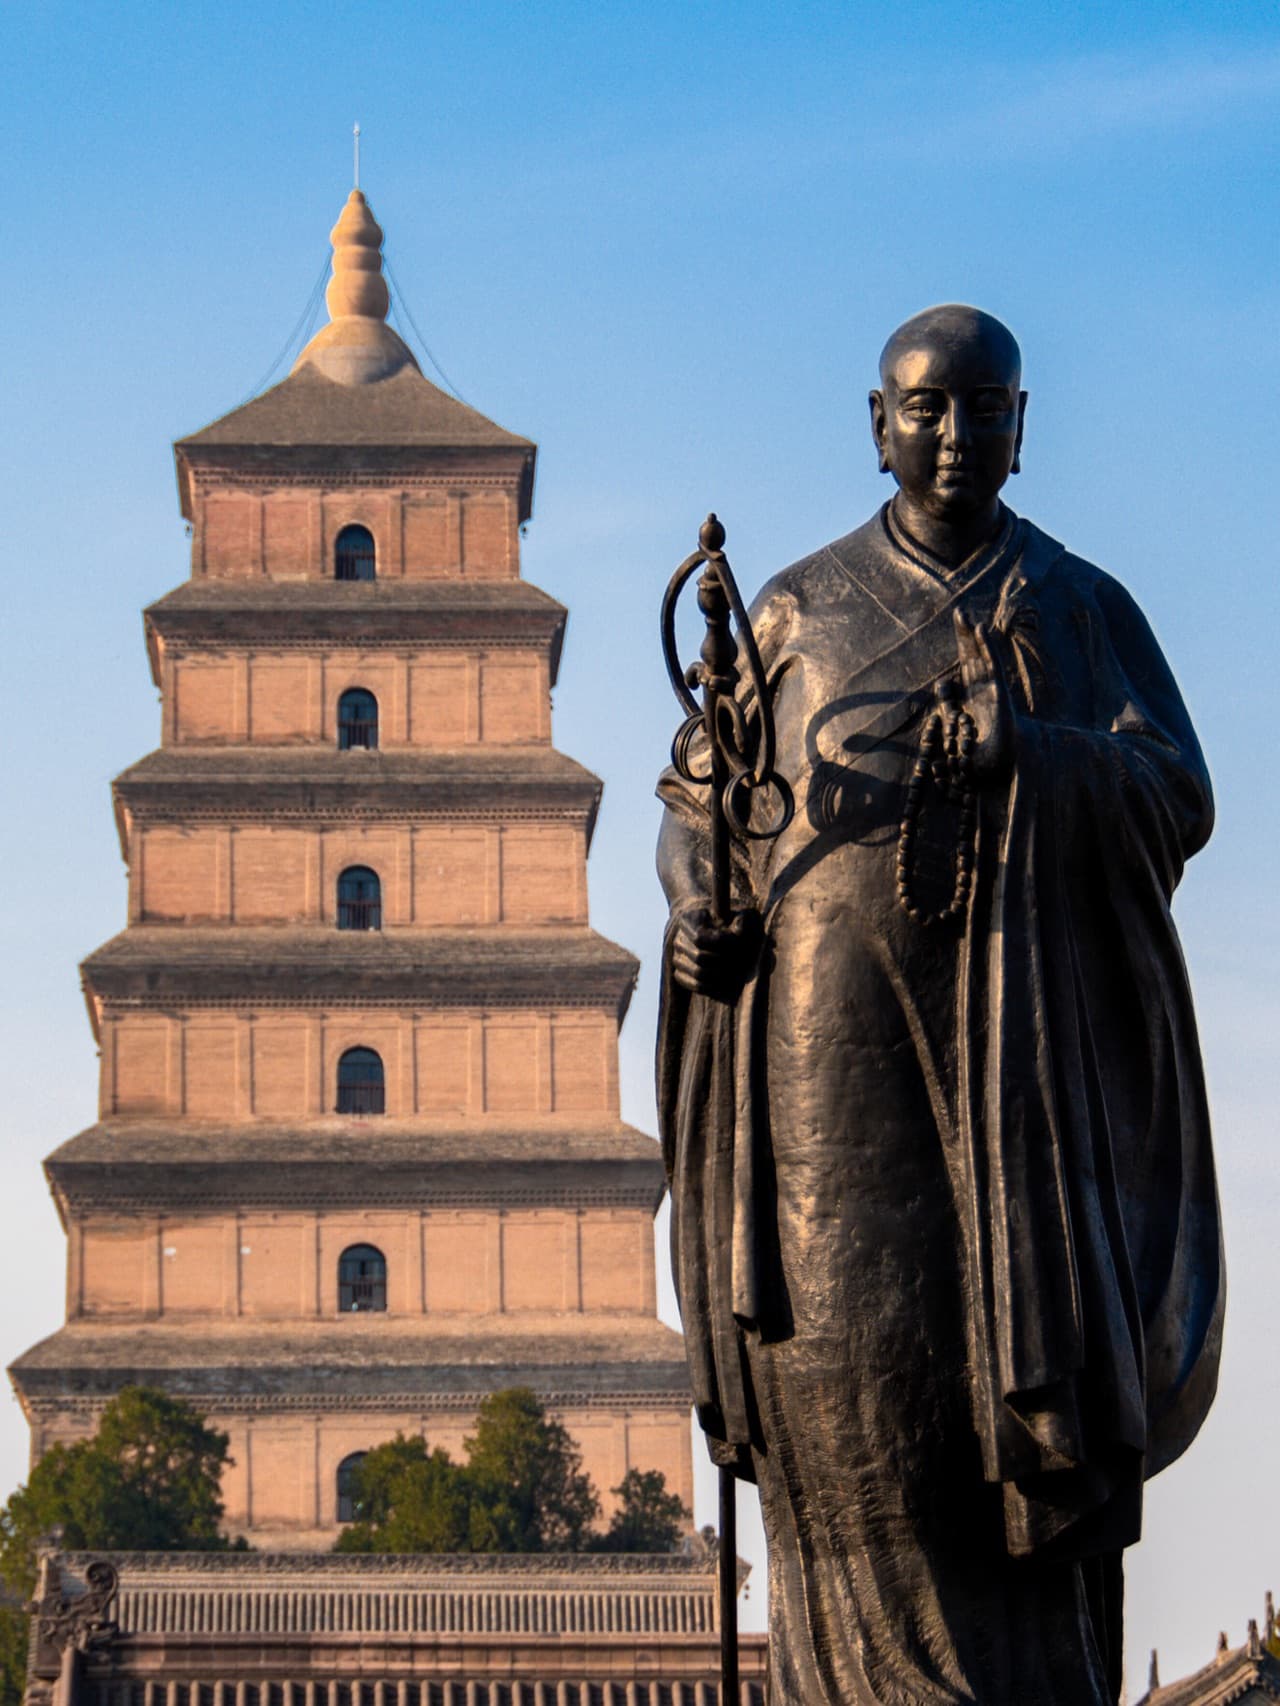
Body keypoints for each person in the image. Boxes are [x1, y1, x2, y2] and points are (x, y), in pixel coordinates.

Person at [655, 305, 1223, 1705]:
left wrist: (1035, 751)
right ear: (877, 422)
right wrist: (703, 905)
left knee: (1005, 1399)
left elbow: (1178, 794)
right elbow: (702, 800)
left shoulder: (1082, 610)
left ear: (1023, 431)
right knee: (850, 1382)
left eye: (984, 410)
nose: (955, 435)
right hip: (825, 1066)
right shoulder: (791, 611)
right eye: (927, 409)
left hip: (1021, 1081)